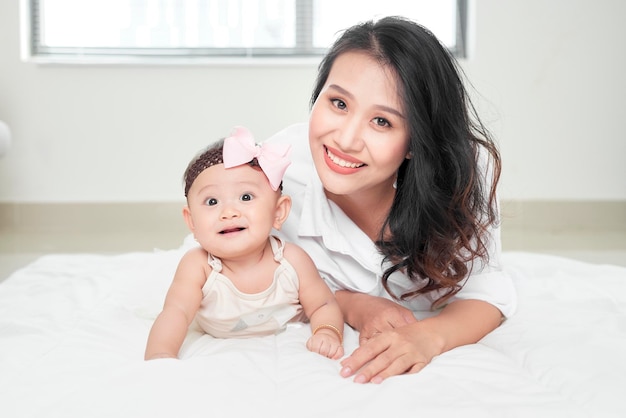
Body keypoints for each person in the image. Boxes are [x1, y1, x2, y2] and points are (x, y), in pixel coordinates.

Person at [267, 16, 517, 383]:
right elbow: (227, 270)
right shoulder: (276, 171)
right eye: (338, 103)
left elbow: (490, 294)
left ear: (417, 141)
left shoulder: (461, 179)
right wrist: (354, 305)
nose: (346, 139)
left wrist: (427, 336)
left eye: (382, 122)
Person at [144, 127, 344, 361]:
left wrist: (327, 331)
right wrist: (161, 353)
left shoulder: (292, 260)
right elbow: (176, 312)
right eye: (212, 201)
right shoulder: (199, 266)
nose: (228, 212)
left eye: (246, 197)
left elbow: (323, 305)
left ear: (278, 212)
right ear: (192, 222)